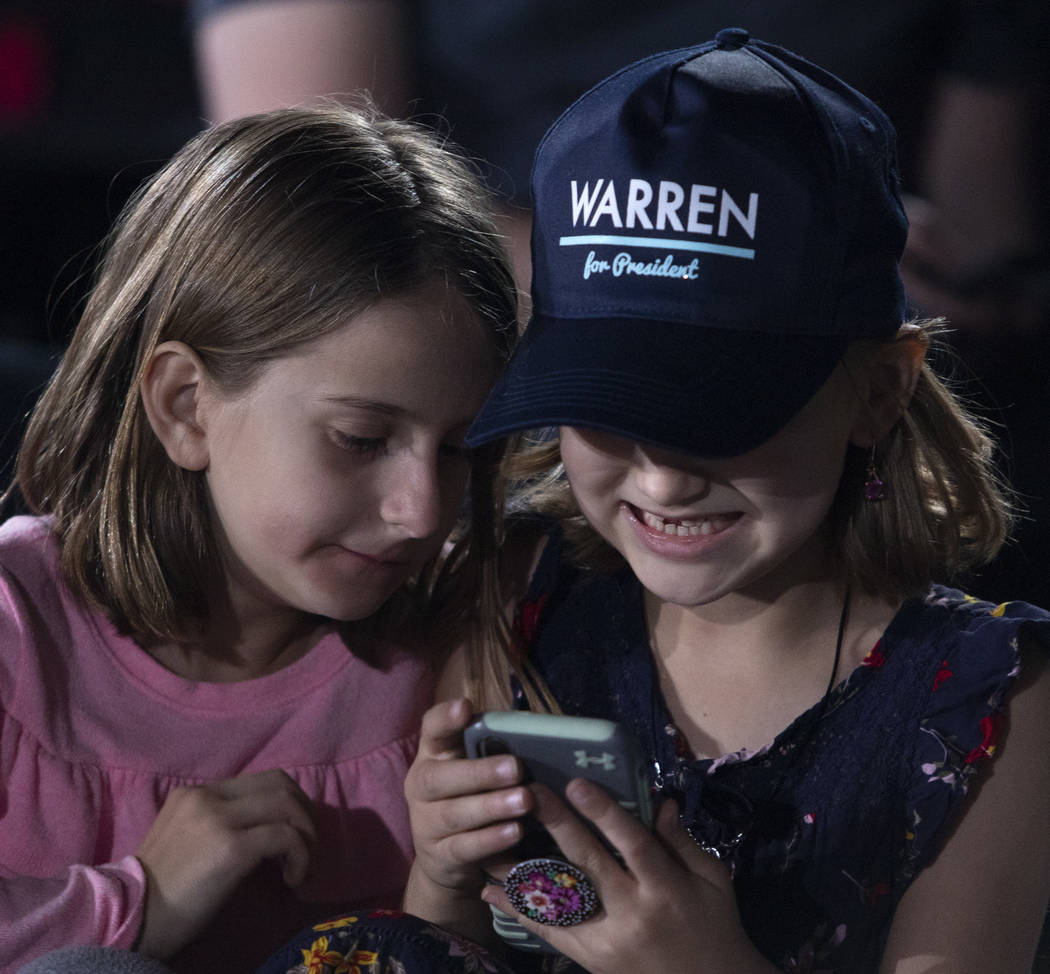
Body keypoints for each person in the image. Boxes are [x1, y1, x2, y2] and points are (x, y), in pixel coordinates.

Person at [386, 30, 1050, 974]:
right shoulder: (521, 605)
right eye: (605, 412)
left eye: (727, 418)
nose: (661, 480)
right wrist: (443, 887)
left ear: (879, 390)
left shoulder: (994, 700)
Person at [0, 102, 517, 974]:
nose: (422, 511)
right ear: (184, 406)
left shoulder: (449, 656)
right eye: (361, 439)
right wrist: (137, 902)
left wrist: (441, 890)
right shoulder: (18, 624)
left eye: (460, 450)